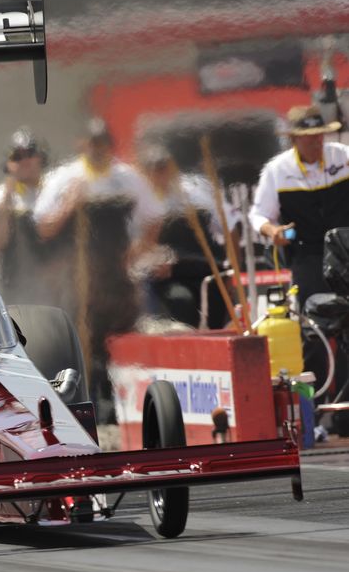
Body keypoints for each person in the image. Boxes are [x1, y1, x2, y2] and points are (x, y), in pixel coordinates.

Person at [32, 118, 162, 423]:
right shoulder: (65, 178)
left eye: (102, 143)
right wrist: (69, 203)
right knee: (81, 341)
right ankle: (84, 408)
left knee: (121, 340)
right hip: (77, 275)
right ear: (82, 144)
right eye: (91, 143)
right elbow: (43, 227)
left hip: (116, 275)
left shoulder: (127, 178)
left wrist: (138, 251)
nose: (97, 149)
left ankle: (125, 409)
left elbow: (154, 216)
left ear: (110, 145)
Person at [249, 105, 349, 401]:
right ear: (293, 139)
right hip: (308, 255)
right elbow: (258, 216)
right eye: (308, 137)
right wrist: (273, 232)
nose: (315, 141)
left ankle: (343, 409)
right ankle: (312, 408)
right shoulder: (277, 170)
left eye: (319, 135)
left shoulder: (343, 156)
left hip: (346, 250)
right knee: (314, 329)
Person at [135, 145, 232, 328]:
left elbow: (228, 226)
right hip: (168, 277)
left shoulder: (195, 193)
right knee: (180, 301)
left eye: (164, 167)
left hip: (204, 269)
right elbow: (136, 247)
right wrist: (153, 259)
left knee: (216, 309)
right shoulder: (140, 202)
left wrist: (233, 266)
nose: (160, 174)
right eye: (154, 169)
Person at [0, 127, 52, 304]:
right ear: (8, 164)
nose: (24, 161)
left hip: (54, 284)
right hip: (16, 287)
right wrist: (7, 201)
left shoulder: (55, 189)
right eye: (17, 157)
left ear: (41, 157)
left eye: (29, 153)